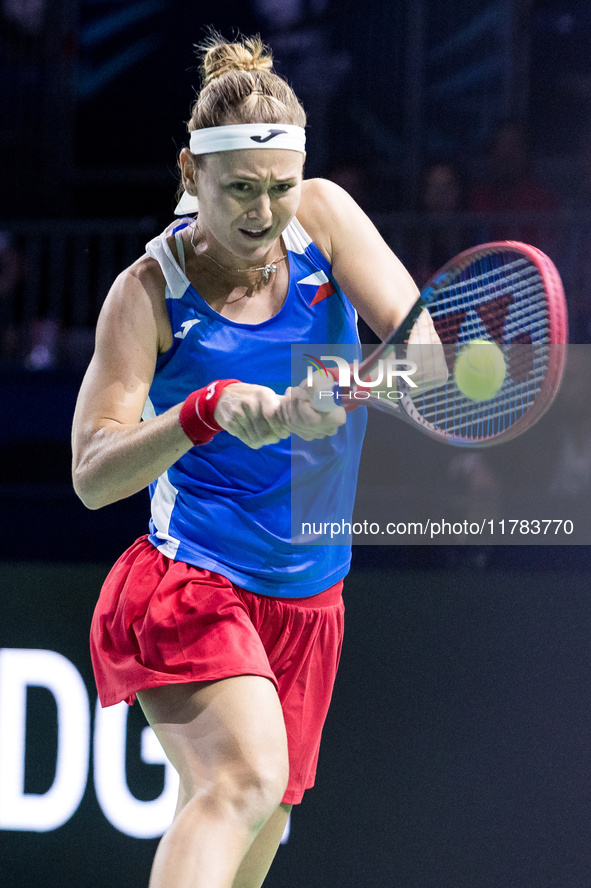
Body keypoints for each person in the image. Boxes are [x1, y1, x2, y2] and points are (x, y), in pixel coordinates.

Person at [72, 32, 421, 888]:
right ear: (190, 175)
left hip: (309, 598)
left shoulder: (325, 219)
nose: (265, 213)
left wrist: (345, 386)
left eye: (280, 186)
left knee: (255, 838)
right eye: (239, 190)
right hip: (192, 583)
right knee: (242, 780)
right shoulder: (146, 295)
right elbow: (91, 473)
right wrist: (205, 410)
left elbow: (427, 354)